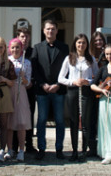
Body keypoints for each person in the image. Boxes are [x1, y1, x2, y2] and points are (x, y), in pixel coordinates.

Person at [31, 18, 69, 159]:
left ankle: (59, 149)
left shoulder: (64, 48)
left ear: (57, 31)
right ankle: (42, 148)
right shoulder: (37, 47)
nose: (50, 31)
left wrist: (58, 84)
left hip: (59, 90)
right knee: (41, 120)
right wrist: (42, 84)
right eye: (48, 28)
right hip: (42, 90)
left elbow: (68, 69)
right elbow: (35, 69)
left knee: (59, 120)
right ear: (43, 30)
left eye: (53, 29)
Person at [57, 33, 98, 161]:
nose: (81, 45)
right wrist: (73, 82)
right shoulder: (69, 58)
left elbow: (96, 77)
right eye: (79, 42)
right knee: (74, 122)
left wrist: (88, 81)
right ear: (75, 44)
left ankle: (83, 151)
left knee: (85, 122)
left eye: (84, 42)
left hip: (86, 92)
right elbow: (60, 78)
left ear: (87, 44)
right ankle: (74, 151)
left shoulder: (91, 59)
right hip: (73, 91)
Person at [7, 37, 33, 161]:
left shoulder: (26, 63)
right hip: (8, 92)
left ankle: (21, 151)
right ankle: (10, 149)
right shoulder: (7, 61)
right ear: (9, 49)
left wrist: (23, 78)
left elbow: (28, 83)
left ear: (21, 48)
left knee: (21, 122)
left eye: (18, 47)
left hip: (20, 92)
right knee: (9, 122)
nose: (15, 49)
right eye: (13, 47)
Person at [15, 21, 37, 152]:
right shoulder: (13, 52)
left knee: (28, 116)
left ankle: (28, 144)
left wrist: (31, 82)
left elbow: (36, 70)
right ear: (18, 37)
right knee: (15, 116)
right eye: (22, 36)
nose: (24, 39)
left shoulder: (34, 52)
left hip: (29, 89)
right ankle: (14, 144)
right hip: (15, 90)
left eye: (26, 36)